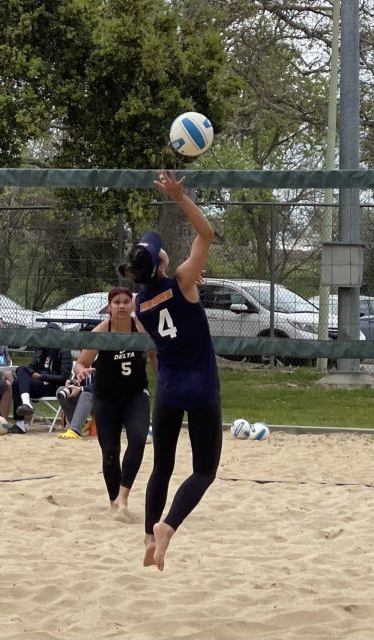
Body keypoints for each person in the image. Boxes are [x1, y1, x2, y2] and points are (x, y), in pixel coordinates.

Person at [117, 170, 219, 571]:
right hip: (201, 388)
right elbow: (206, 233)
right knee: (204, 470)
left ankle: (146, 535)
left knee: (162, 466)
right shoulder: (181, 281)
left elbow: (159, 318)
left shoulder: (140, 306)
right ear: (162, 262)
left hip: (169, 390)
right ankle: (168, 528)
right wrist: (179, 196)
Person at [61, 287, 157, 524]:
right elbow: (80, 363)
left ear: (133, 305)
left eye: (126, 301)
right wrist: (82, 371)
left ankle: (123, 497)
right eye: (117, 302)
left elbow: (156, 355)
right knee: (110, 451)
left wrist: (163, 375)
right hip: (106, 398)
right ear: (109, 307)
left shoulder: (141, 328)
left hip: (135, 394)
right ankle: (115, 500)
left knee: (137, 439)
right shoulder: (102, 331)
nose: (122, 306)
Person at [12, 323, 73, 434]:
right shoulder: (41, 350)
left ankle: (25, 406)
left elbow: (64, 377)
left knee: (17, 383)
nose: (48, 337)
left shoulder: (64, 351)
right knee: (19, 374)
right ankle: (21, 420)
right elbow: (31, 367)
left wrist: (41, 376)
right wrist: (31, 372)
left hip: (52, 386)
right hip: (38, 383)